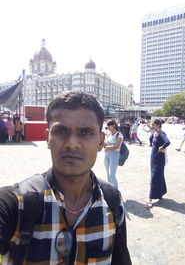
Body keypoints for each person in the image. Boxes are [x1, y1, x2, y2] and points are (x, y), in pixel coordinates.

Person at [0, 91, 131, 265]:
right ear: (48, 137)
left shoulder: (112, 200)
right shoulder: (16, 203)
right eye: (61, 131)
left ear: (101, 142)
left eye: (85, 132)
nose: (72, 143)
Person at [146, 119, 170, 208]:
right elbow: (152, 141)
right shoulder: (155, 133)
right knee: (158, 175)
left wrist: (162, 147)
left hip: (159, 158)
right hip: (153, 157)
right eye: (151, 125)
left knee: (154, 177)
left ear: (158, 125)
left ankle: (150, 199)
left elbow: (167, 142)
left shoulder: (162, 133)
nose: (152, 126)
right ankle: (161, 193)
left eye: (153, 125)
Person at [104, 120, 123, 189]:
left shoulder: (119, 134)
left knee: (111, 175)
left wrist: (106, 147)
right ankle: (110, 193)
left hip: (114, 155)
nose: (108, 127)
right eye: (107, 126)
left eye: (109, 125)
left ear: (114, 125)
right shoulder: (109, 134)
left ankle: (116, 193)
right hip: (106, 155)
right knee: (108, 175)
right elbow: (105, 143)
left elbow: (116, 146)